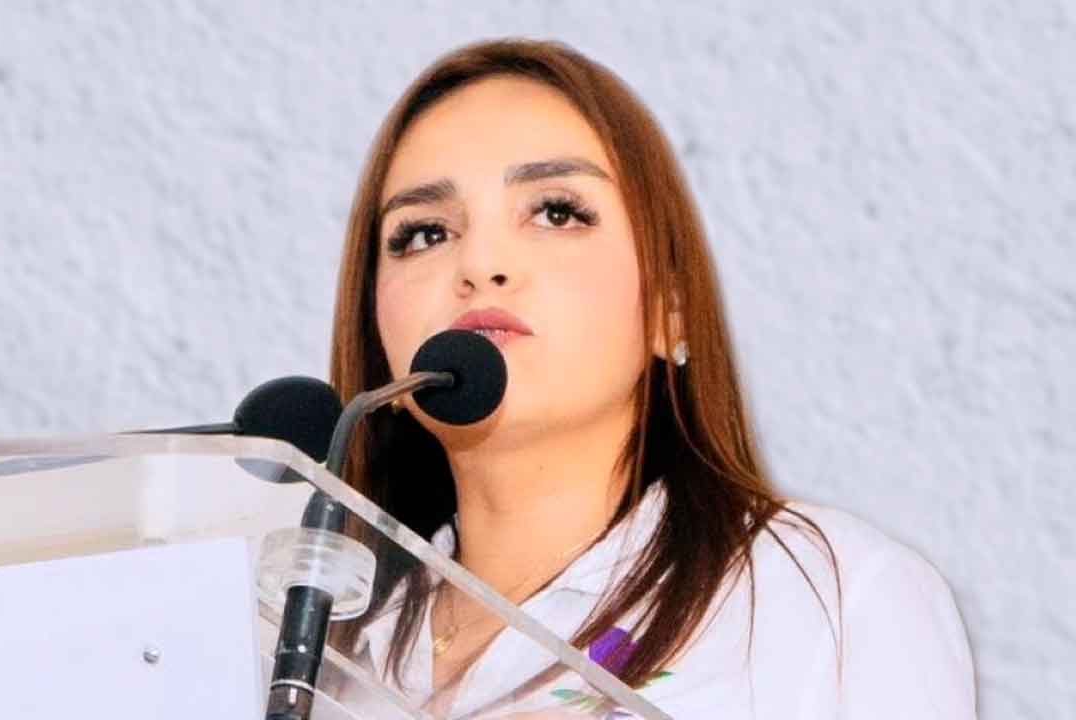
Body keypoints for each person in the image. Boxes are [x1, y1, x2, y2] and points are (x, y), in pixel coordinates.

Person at [323, 38, 976, 718]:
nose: (480, 263)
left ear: (671, 309)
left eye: (556, 212)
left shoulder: (833, 598)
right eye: (425, 233)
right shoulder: (306, 636)